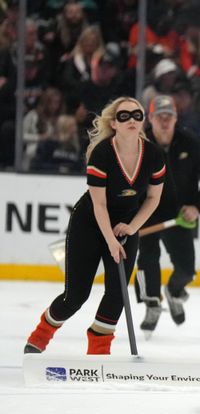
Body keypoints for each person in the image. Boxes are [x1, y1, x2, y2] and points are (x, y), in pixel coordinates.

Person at [24, 97, 165, 355]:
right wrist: (110, 241)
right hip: (89, 223)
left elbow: (154, 198)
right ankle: (39, 337)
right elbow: (99, 205)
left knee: (117, 293)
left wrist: (132, 227)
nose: (132, 120)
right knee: (75, 297)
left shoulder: (154, 155)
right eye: (124, 116)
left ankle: (98, 352)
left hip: (125, 226)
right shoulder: (102, 154)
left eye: (137, 115)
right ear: (114, 123)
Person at [135, 95, 200, 332]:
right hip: (146, 213)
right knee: (146, 261)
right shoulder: (138, 144)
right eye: (159, 116)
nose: (165, 121)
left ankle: (174, 291)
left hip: (179, 215)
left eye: (169, 116)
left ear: (176, 118)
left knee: (186, 270)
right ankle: (151, 303)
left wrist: (197, 206)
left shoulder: (189, 143)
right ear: (150, 119)